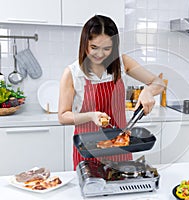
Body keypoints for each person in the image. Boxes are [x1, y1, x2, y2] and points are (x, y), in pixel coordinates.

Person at [58, 15, 165, 170]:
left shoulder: (123, 63)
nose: (100, 54)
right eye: (94, 47)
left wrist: (148, 91)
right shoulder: (72, 73)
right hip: (88, 151)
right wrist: (91, 116)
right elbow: (63, 116)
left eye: (107, 49)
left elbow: (158, 83)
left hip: (121, 148)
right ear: (84, 43)